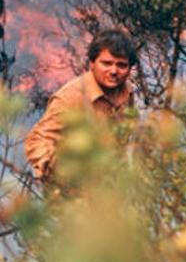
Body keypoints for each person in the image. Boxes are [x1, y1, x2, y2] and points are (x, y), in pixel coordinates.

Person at [24, 29, 137, 182]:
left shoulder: (125, 93)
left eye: (122, 65)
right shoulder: (70, 97)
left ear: (130, 68)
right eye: (106, 63)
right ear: (92, 63)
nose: (114, 71)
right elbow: (36, 142)